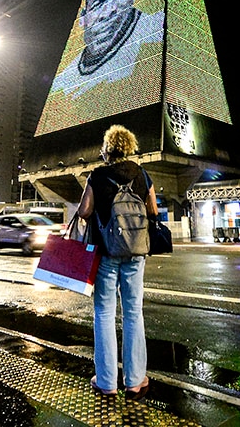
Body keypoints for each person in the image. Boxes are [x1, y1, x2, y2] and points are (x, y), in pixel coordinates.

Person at [77, 124, 158, 401]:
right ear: (130, 146)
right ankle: (135, 381)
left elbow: (84, 211)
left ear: (107, 149)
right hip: (136, 253)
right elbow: (153, 211)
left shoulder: (97, 175)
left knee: (104, 313)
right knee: (134, 312)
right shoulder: (142, 173)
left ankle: (107, 381)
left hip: (106, 253)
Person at [51, 0, 164, 99]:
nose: (110, 10)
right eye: (99, 2)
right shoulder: (63, 83)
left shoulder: (157, 36)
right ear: (83, 17)